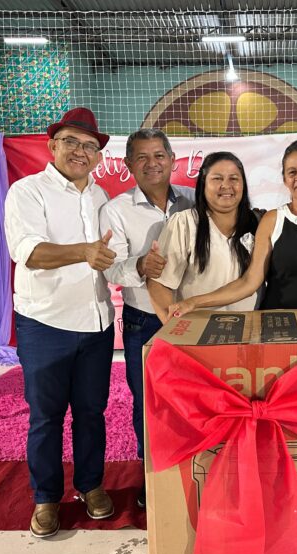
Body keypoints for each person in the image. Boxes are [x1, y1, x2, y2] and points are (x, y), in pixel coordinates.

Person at [5, 107, 117, 538]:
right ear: (52, 146)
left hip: (97, 322)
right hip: (45, 323)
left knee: (91, 412)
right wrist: (84, 251)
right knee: (46, 416)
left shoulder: (102, 197)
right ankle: (47, 497)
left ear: (98, 156)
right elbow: (29, 252)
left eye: (90, 146)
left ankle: (90, 486)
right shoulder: (27, 192)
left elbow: (113, 256)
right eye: (71, 142)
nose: (80, 151)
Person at [166, 139, 297, 321]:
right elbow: (249, 281)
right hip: (277, 324)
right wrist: (193, 302)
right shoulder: (271, 220)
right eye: (292, 172)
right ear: (285, 179)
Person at [99, 128, 194, 507]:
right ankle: (153, 476)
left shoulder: (193, 200)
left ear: (172, 160)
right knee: (149, 404)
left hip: (193, 320)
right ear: (127, 164)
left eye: (158, 155)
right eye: (142, 157)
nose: (151, 163)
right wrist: (140, 266)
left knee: (195, 399)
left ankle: (195, 469)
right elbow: (111, 268)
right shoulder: (116, 210)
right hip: (144, 322)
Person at [146, 151, 259, 320]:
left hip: (250, 327)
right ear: (203, 184)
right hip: (198, 328)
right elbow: (159, 282)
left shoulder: (260, 223)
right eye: (217, 178)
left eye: (234, 179)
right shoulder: (184, 223)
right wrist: (172, 324)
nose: (226, 185)